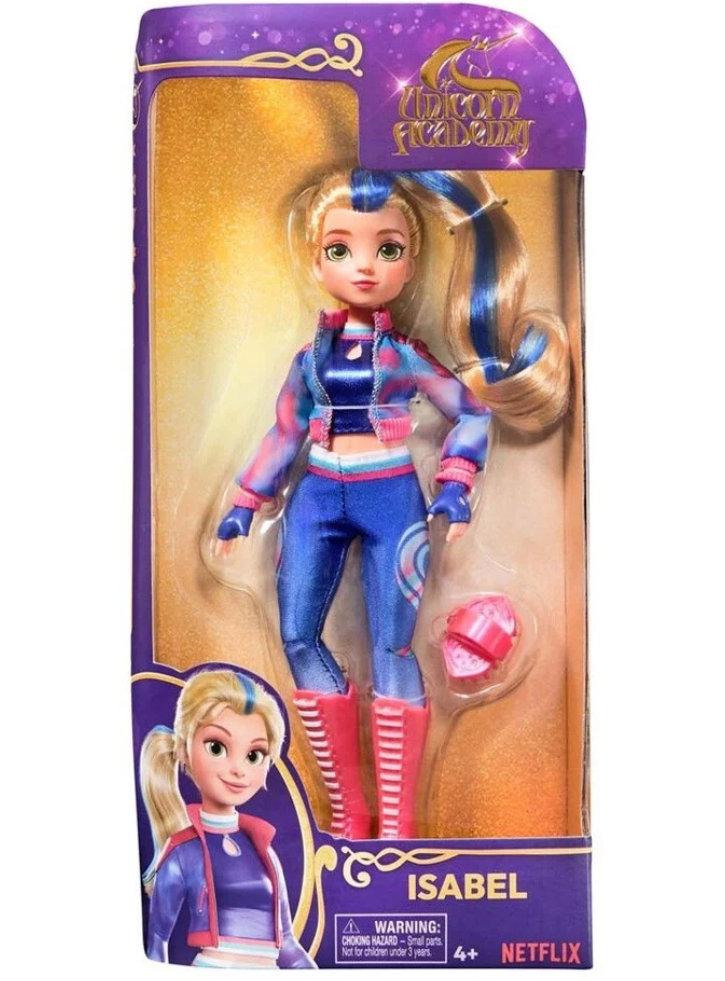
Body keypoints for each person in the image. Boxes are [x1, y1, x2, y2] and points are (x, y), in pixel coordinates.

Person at [217, 169, 570, 840]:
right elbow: (285, 432)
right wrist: (246, 499)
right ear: (316, 260)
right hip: (316, 495)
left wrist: (455, 485)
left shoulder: (405, 357)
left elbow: (470, 412)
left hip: (390, 498)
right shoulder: (308, 360)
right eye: (340, 248)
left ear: (409, 263)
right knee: (297, 635)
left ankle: (398, 825)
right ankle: (349, 813)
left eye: (387, 248)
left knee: (393, 646)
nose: (364, 266)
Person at [140, 669, 315, 968]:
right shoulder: (185, 852)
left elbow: (288, 944)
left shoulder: (262, 849)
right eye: (217, 747)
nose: (238, 769)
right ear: (184, 750)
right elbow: (156, 940)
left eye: (254, 755)